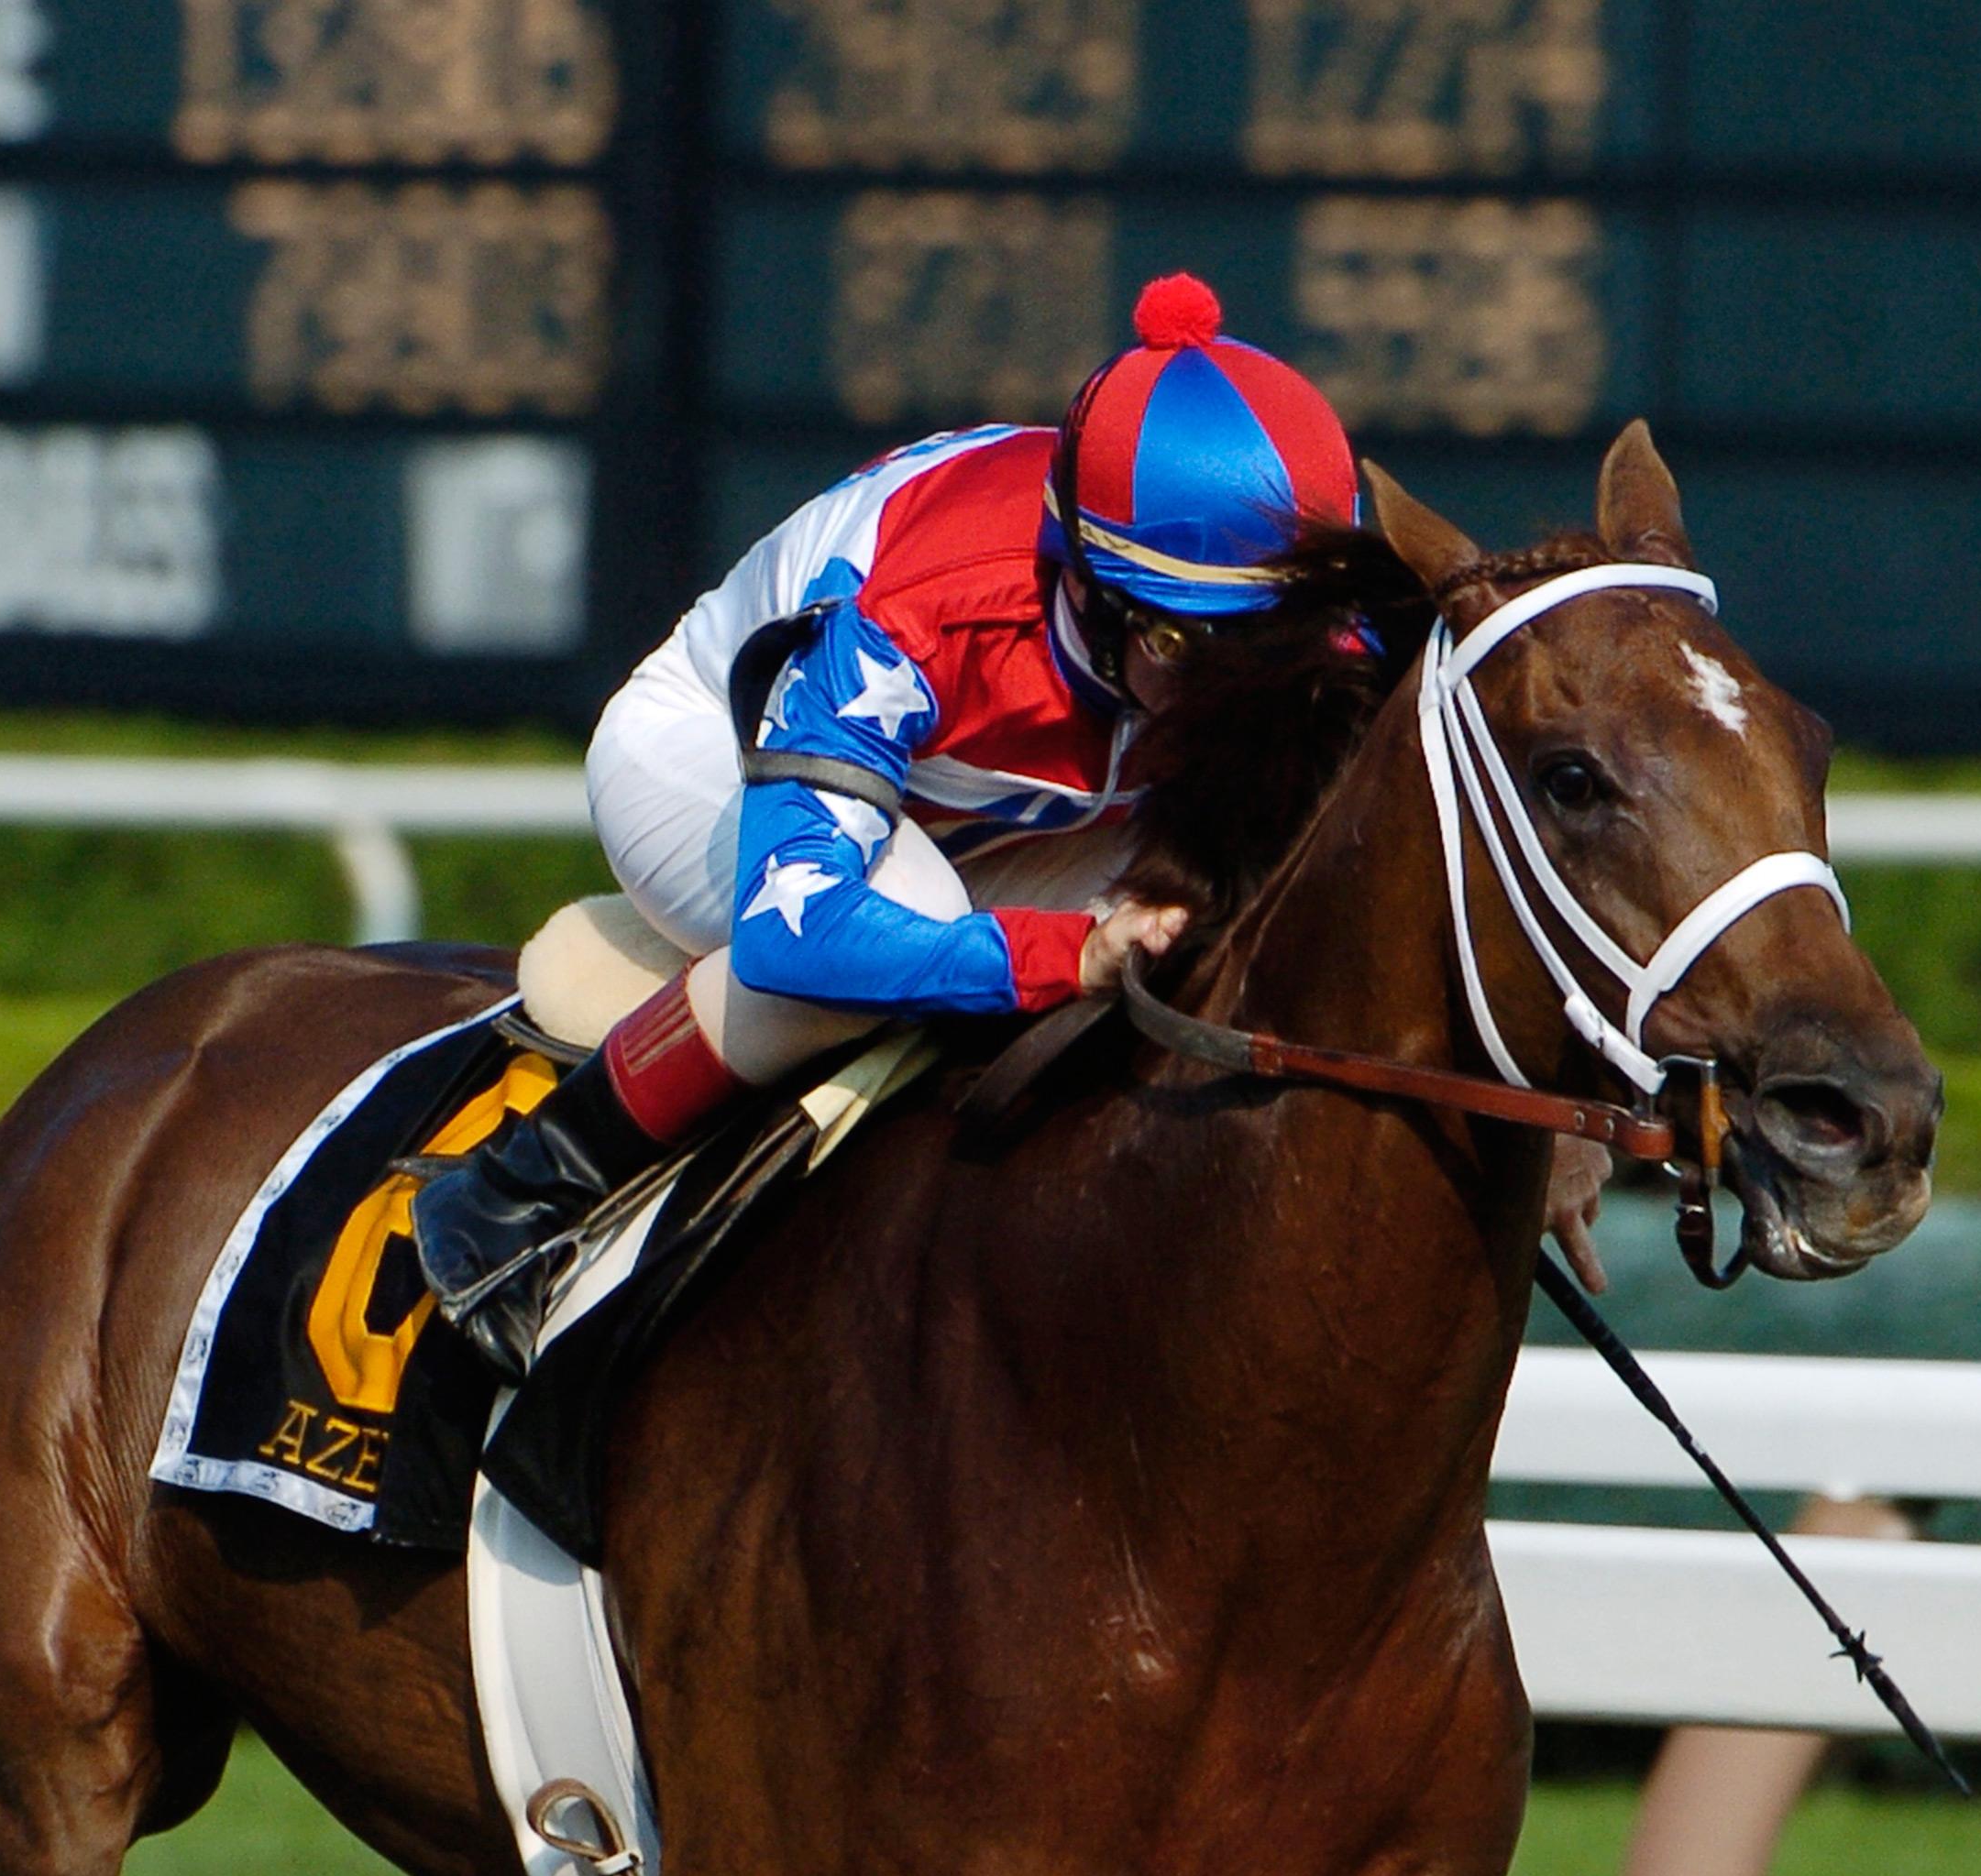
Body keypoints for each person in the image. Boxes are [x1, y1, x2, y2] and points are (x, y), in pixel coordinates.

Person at [413, 271, 1364, 1378]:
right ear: (1094, 592)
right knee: (903, 919)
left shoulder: (1281, 621)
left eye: (1279, 643)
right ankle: (520, 1190)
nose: (1241, 692)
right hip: (709, 758)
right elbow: (798, 930)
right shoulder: (917, 610)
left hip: (998, 810)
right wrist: (1074, 951)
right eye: (1198, 651)